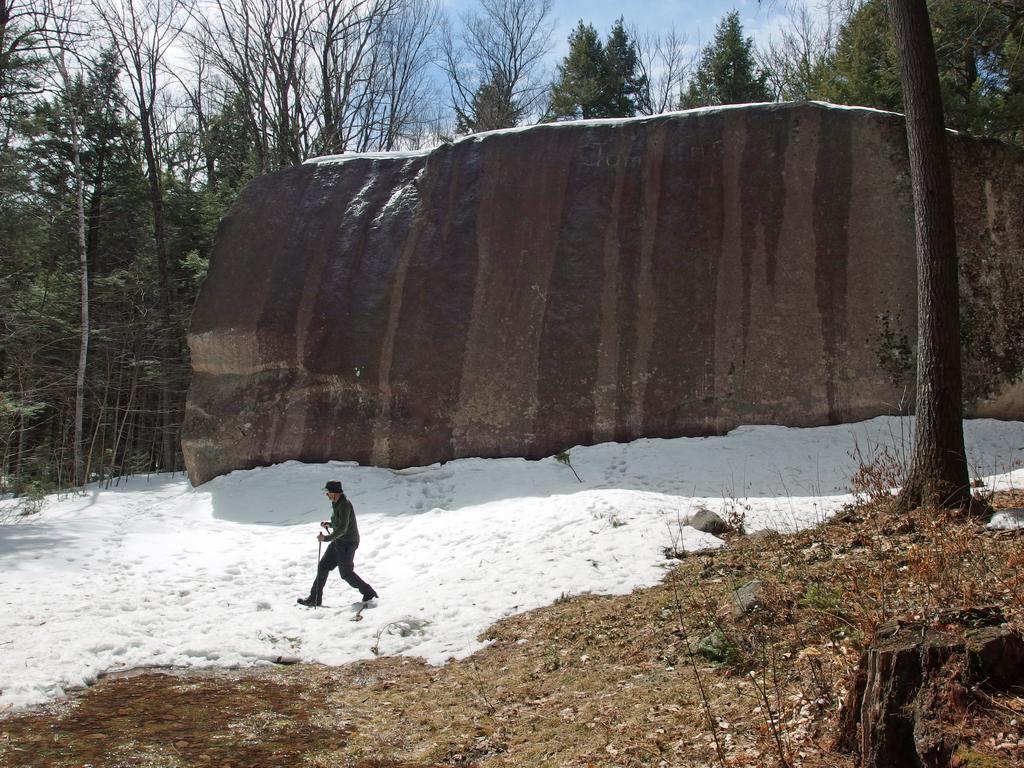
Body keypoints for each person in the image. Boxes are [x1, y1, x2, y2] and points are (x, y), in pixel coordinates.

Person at [298, 480, 378, 607]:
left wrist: (326, 538)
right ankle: (315, 599)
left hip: (348, 543)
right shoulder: (336, 503)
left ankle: (369, 592)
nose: (326, 495)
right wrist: (329, 524)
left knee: (346, 573)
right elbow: (339, 524)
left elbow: (343, 528)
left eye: (328, 492)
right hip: (339, 541)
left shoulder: (344, 505)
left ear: (335, 493)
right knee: (323, 566)